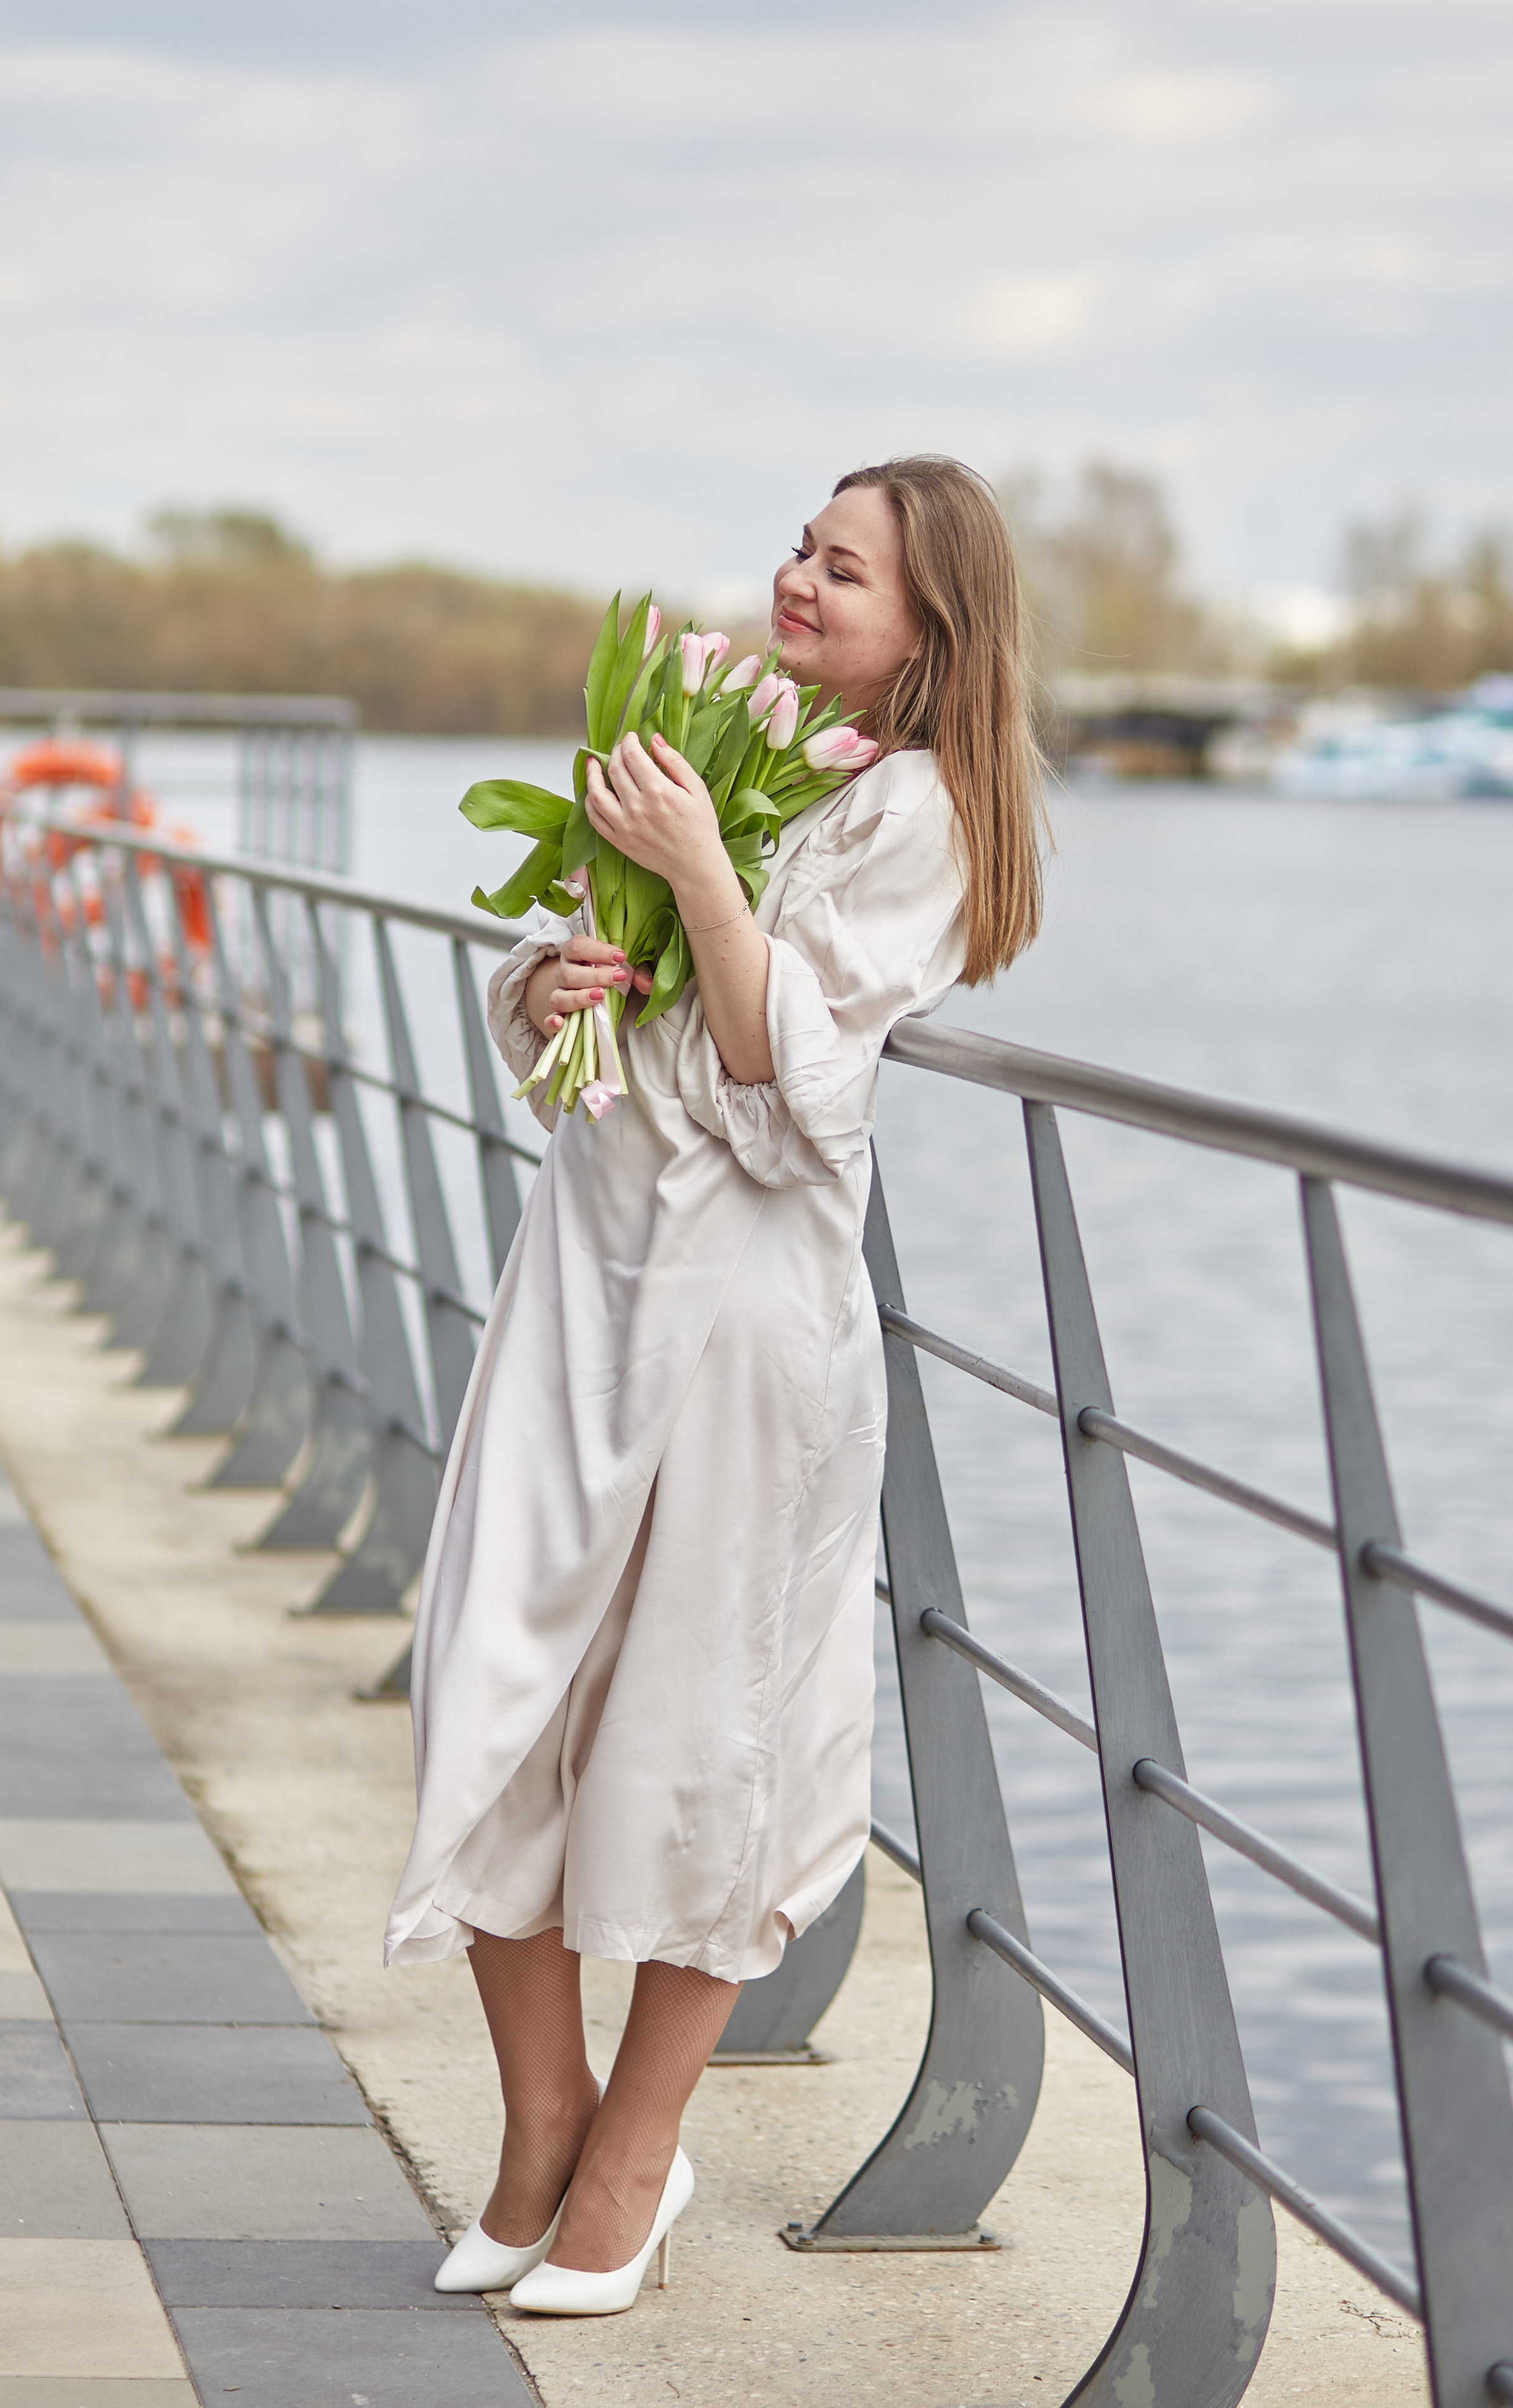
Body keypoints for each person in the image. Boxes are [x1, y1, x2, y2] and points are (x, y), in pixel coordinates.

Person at [385, 454, 1046, 2317]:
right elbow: (590, 1005)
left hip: (747, 1321)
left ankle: (631, 2156)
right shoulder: (704, 729)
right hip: (584, 1278)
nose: (804, 582)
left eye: (849, 570)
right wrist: (555, 983)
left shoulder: (916, 814)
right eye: (803, 551)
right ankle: (540, 2119)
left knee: (697, 1730)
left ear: (935, 627)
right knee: (489, 1677)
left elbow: (786, 1076)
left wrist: (693, 873)